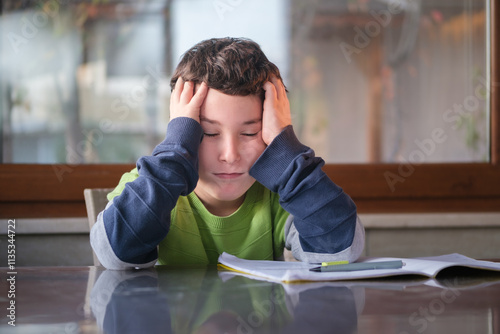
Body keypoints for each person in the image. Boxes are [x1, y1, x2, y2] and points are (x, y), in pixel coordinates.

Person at [90, 37, 364, 269]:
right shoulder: (153, 186)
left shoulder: (283, 195)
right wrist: (174, 156)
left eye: (249, 133)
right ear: (181, 133)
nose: (230, 155)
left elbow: (340, 254)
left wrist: (288, 155)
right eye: (208, 133)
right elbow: (115, 254)